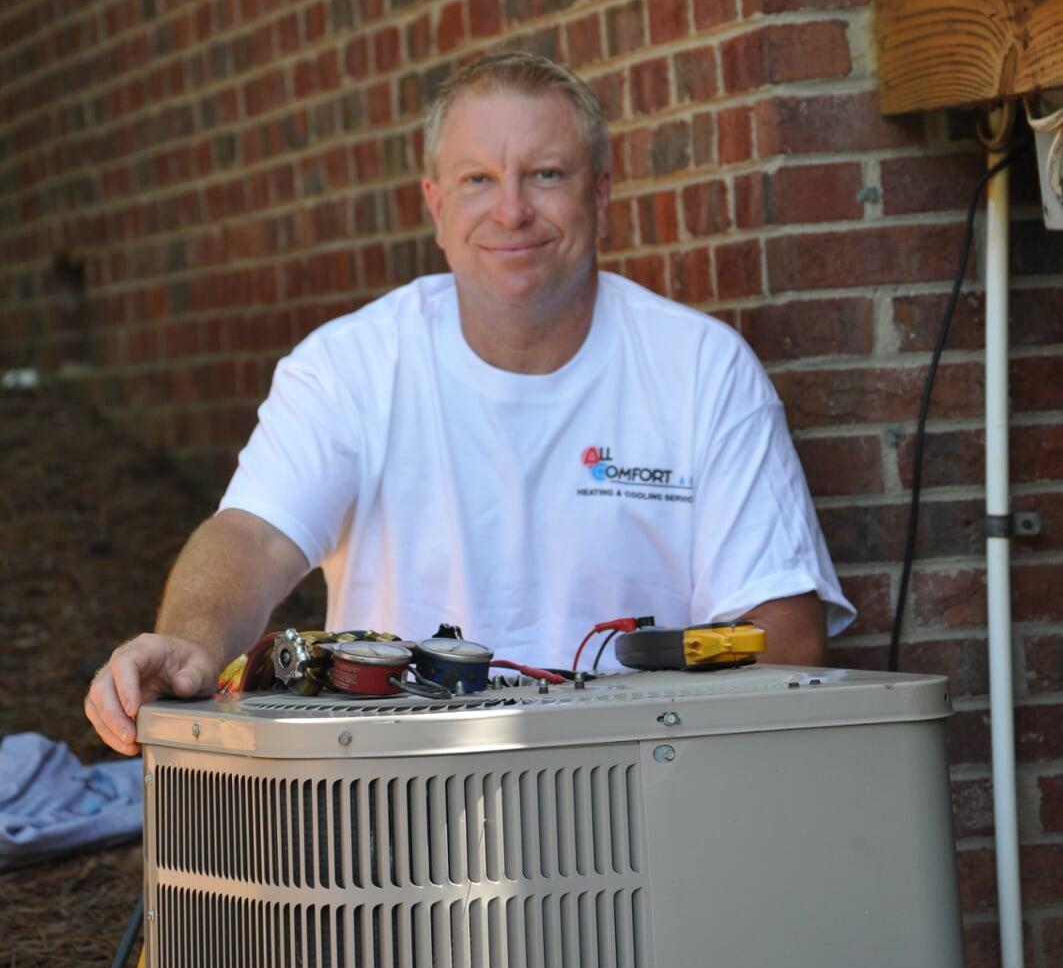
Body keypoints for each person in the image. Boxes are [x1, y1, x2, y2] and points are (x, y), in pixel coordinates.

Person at [86, 50, 854, 754]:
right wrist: (188, 641)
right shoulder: (353, 364)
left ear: (601, 191)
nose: (511, 211)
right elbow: (253, 537)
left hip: (644, 785)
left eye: (545, 174)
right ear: (435, 207)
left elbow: (781, 630)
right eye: (477, 179)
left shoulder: (699, 369)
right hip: (404, 794)